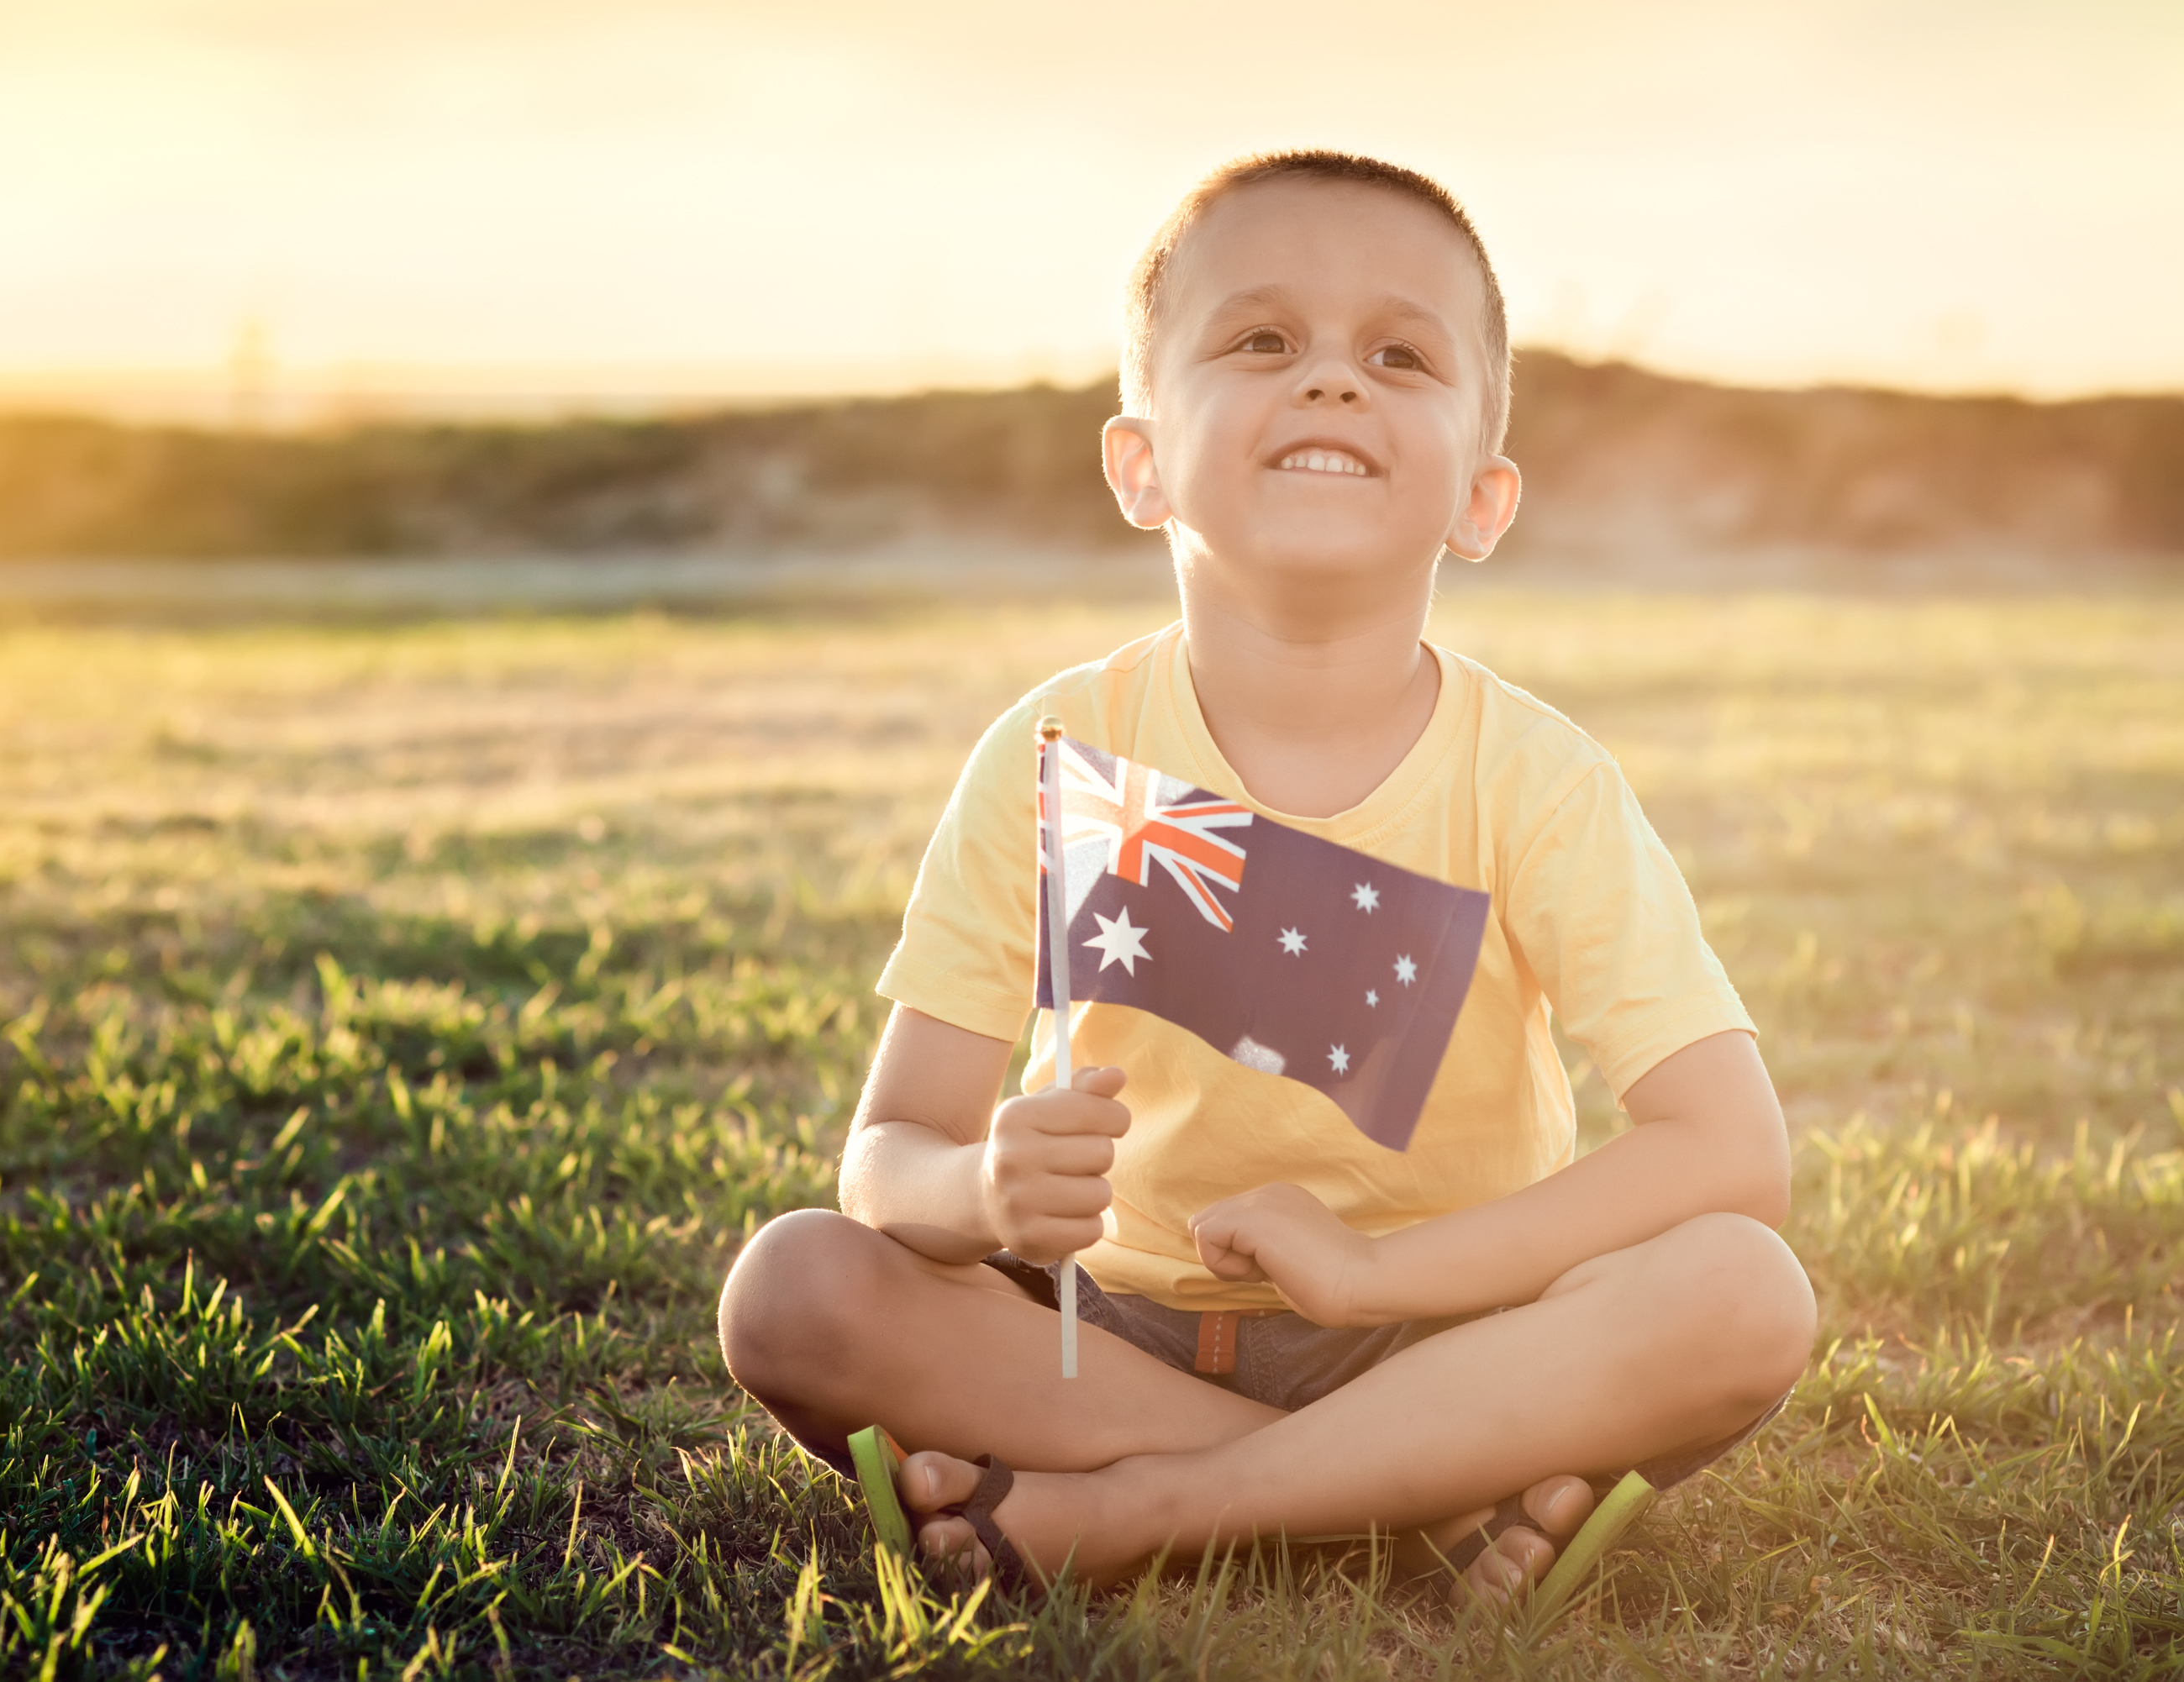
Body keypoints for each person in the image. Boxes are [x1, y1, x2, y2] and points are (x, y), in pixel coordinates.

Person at [716, 151, 1817, 1606]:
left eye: (1400, 354)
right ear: (1141, 461)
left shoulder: (1539, 781)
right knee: (792, 1288)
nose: (1331, 384)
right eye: (1260, 340)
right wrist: (982, 1187)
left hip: (1450, 1339)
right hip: (1113, 1345)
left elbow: (1729, 1152)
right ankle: (1409, 1495)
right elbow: (888, 1157)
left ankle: (1169, 1504)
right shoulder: (1056, 749)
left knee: (1743, 1292)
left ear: (1483, 503)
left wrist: (1371, 1279)